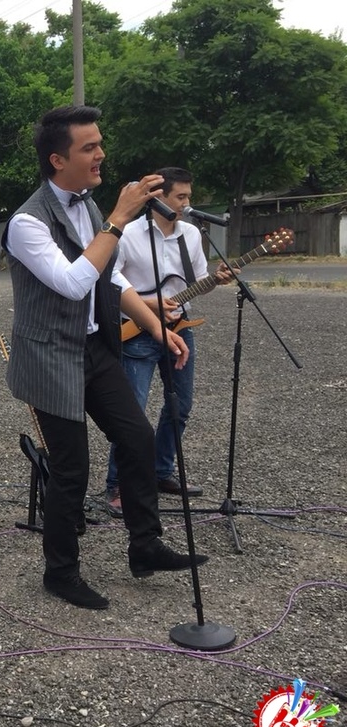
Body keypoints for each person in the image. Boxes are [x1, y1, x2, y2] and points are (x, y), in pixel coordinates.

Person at [3, 105, 207, 610]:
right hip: (50, 354)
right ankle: (60, 572)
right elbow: (74, 283)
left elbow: (109, 275)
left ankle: (145, 544)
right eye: (89, 147)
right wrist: (117, 220)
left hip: (93, 347)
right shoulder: (27, 222)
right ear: (58, 160)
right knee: (71, 468)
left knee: (137, 438)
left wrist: (158, 327)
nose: (101, 154)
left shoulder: (90, 208)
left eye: (100, 143)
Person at [104, 167, 235, 512]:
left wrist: (217, 280)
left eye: (189, 196)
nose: (187, 203)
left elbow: (198, 281)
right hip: (137, 331)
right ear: (159, 198)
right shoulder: (128, 232)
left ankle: (161, 471)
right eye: (180, 196)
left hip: (180, 328)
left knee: (181, 407)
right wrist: (146, 304)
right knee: (131, 412)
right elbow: (109, 277)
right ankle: (117, 484)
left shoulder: (190, 234)